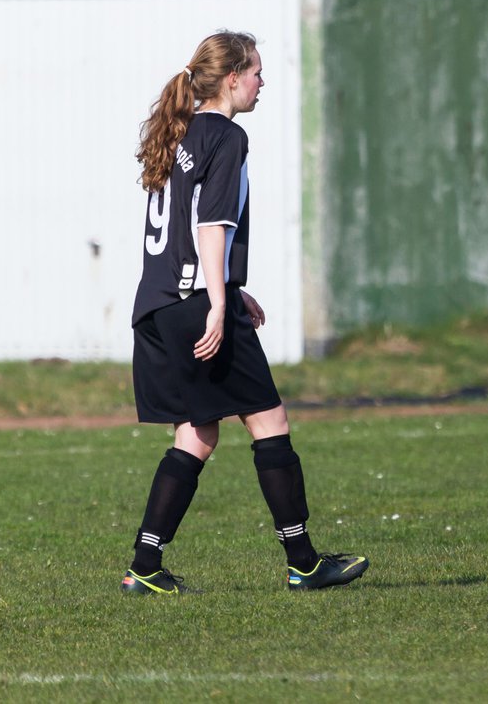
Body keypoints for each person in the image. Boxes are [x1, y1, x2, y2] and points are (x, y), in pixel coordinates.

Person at [121, 31, 368, 594]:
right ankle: (304, 562)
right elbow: (211, 226)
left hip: (159, 303)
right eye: (256, 71)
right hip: (194, 302)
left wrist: (232, 288)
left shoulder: (181, 131)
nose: (262, 82)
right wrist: (216, 301)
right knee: (269, 420)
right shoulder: (226, 135)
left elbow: (181, 230)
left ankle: (144, 566)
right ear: (232, 77)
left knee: (197, 432)